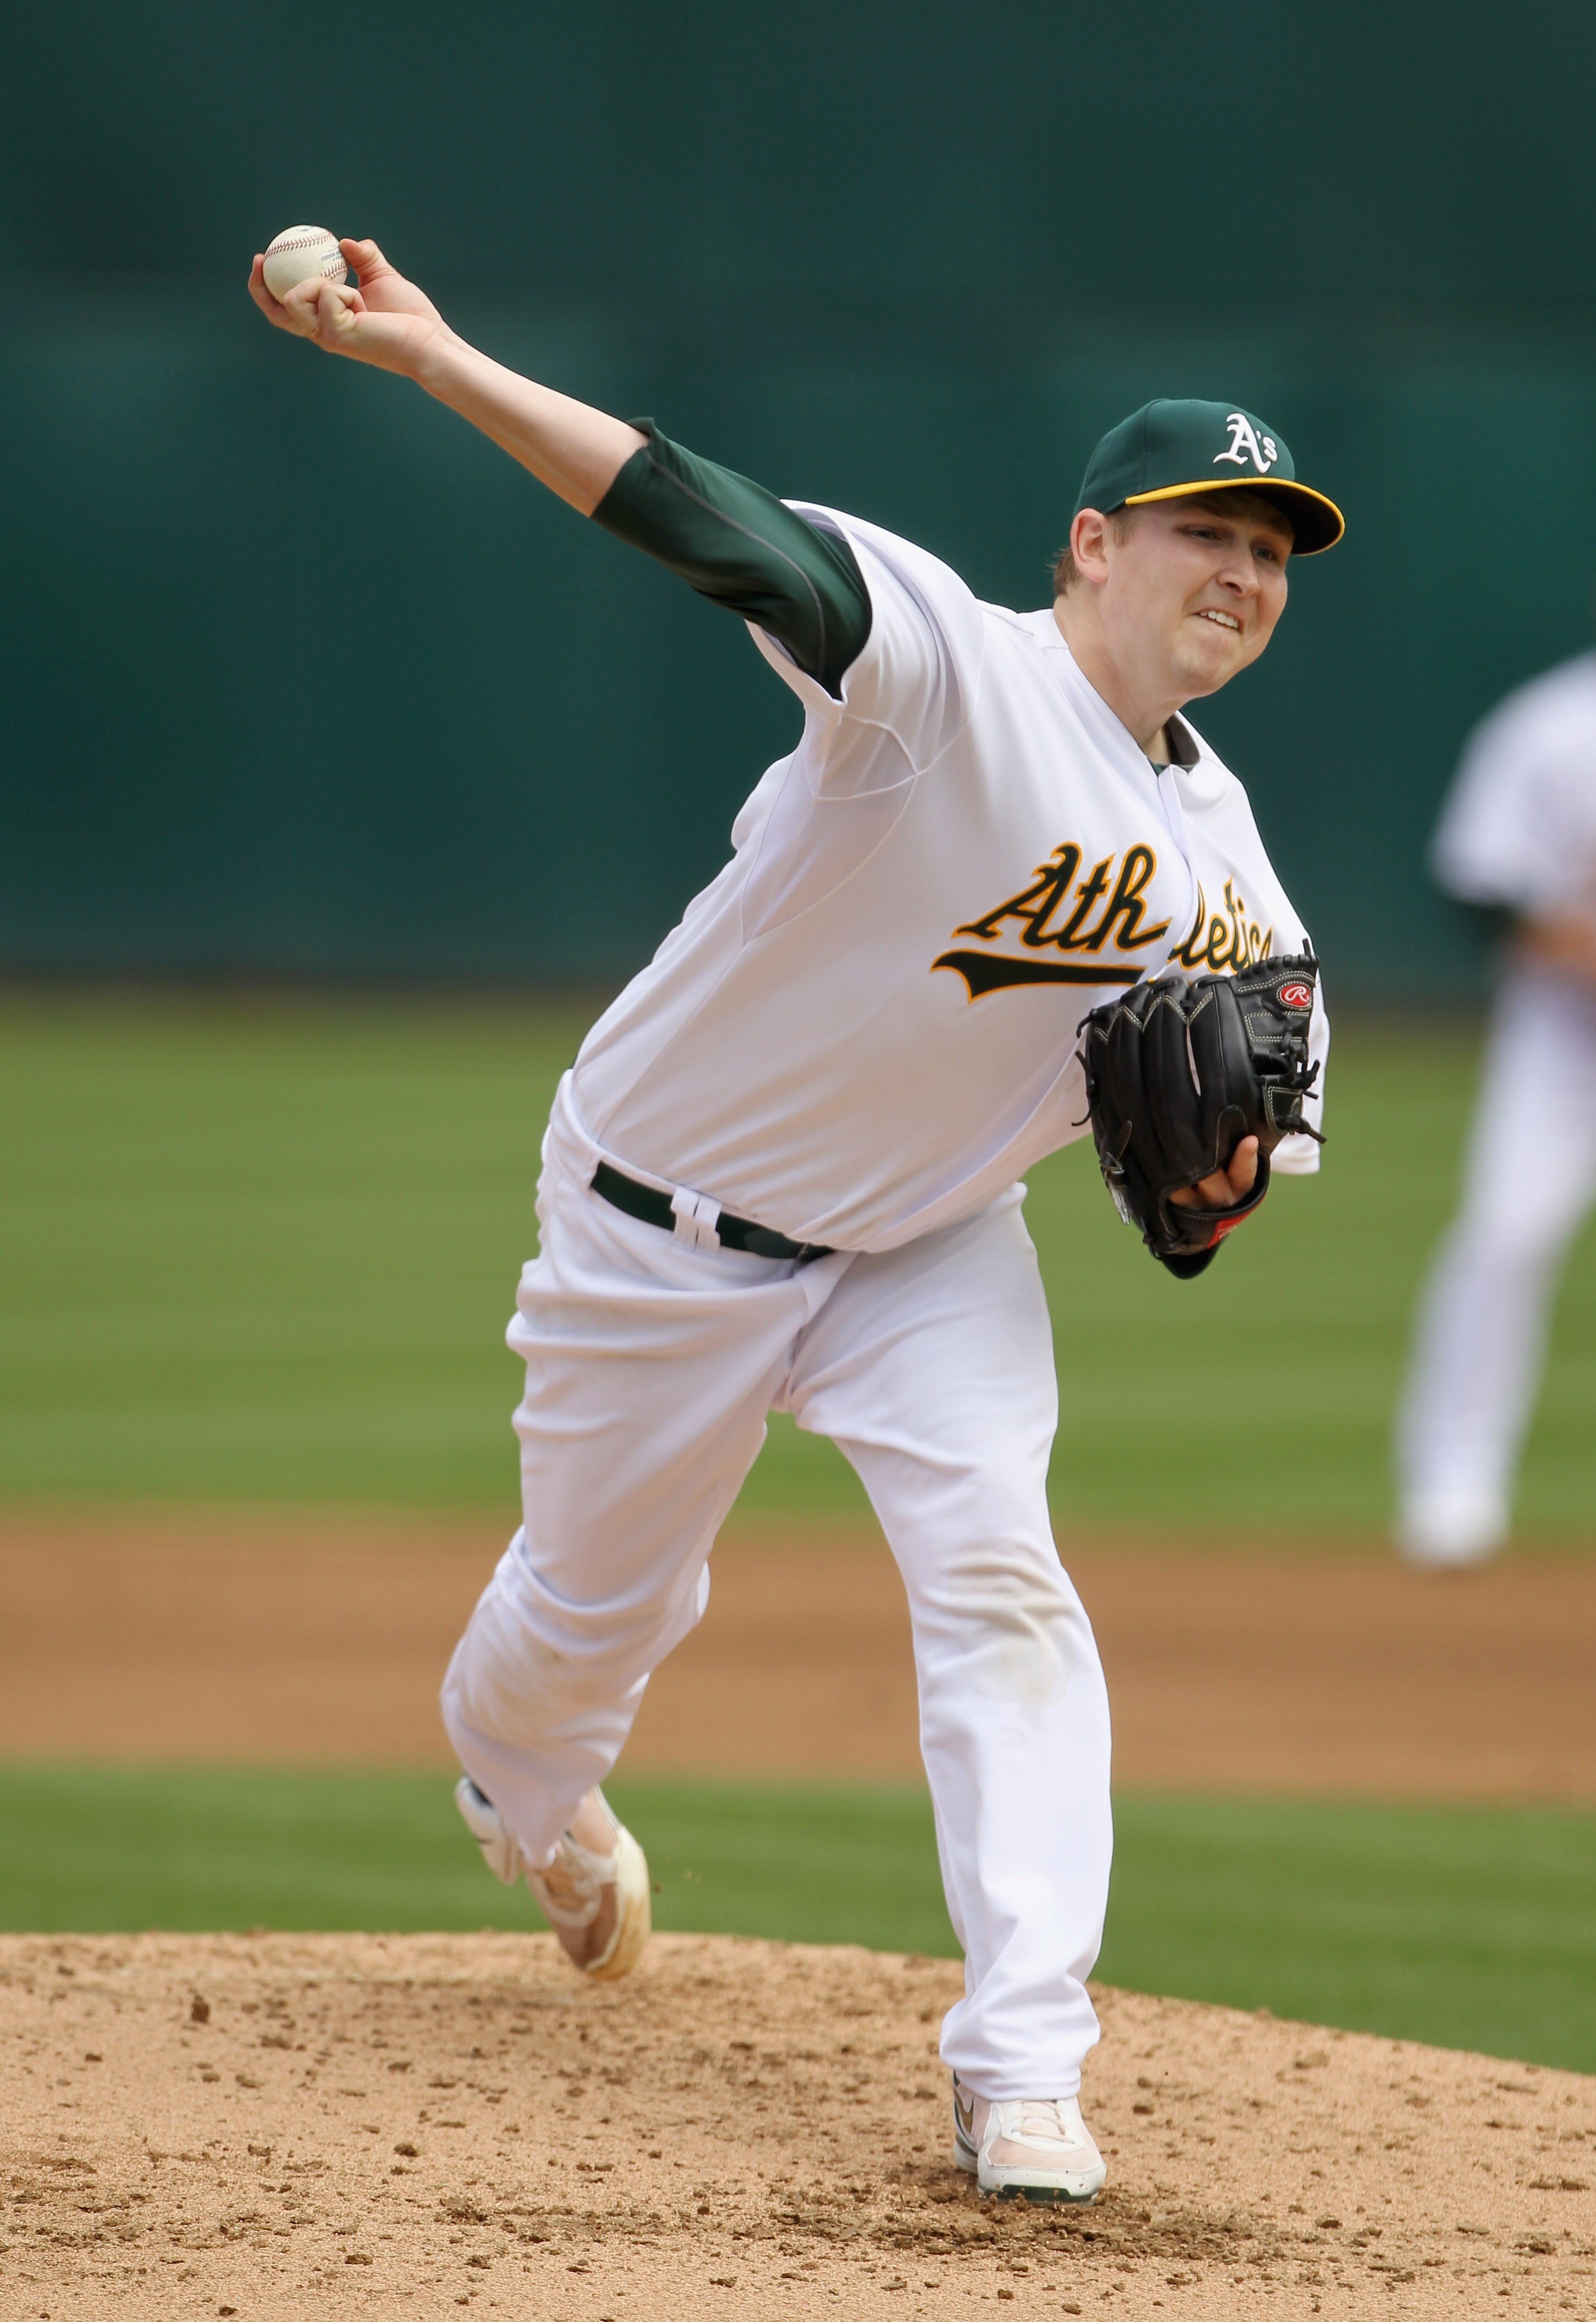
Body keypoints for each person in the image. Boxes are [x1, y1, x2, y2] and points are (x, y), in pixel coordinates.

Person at [248, 238, 1339, 2203]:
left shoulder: (1230, 857)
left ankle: (1023, 2065)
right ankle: (534, 1799)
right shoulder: (944, 665)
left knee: (1003, 1578)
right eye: (1207, 532)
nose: (1244, 574)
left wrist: (1227, 1173)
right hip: (658, 1225)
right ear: (1092, 544)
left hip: (925, 1248)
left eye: (1273, 549)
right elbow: (701, 515)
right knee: (589, 1626)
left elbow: (1247, 1158)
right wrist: (441, 364)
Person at [1396, 647, 1596, 1567]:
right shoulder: (1553, 724)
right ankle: (1456, 1482)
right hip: (1564, 1039)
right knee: (1507, 1234)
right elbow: (1484, 891)